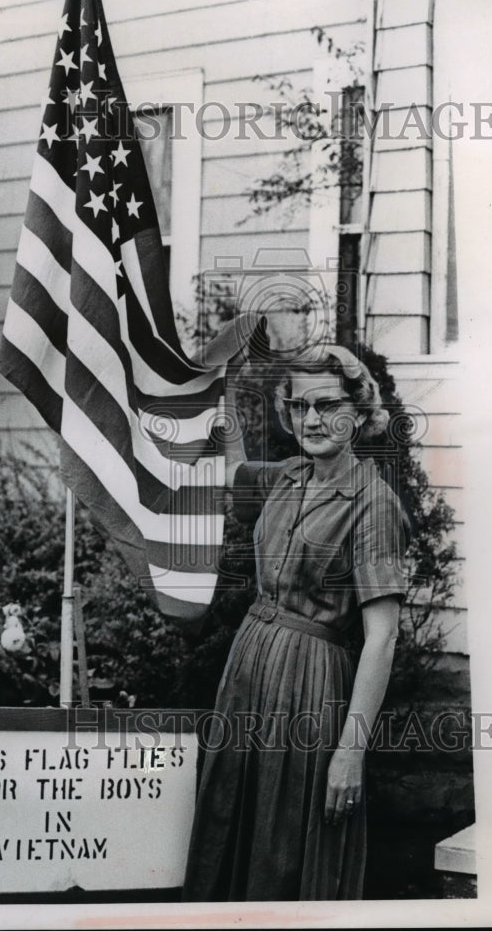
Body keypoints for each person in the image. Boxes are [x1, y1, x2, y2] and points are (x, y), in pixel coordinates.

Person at [182, 343, 410, 902]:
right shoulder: (286, 476)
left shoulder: (373, 504)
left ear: (359, 411)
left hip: (308, 688)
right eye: (299, 407)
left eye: (327, 404)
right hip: (247, 674)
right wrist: (225, 387)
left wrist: (351, 751)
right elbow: (232, 469)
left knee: (284, 847)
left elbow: (382, 638)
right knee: (229, 827)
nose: (311, 419)